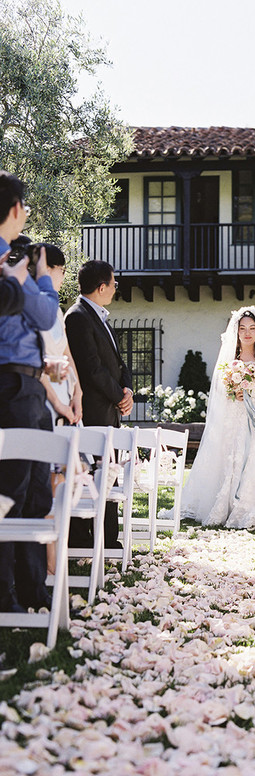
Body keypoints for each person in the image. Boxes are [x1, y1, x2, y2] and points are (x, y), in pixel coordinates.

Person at [173, 306, 255, 528]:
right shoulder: (231, 359)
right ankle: (234, 505)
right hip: (237, 415)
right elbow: (220, 389)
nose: (247, 333)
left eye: (252, 328)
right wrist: (234, 391)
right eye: (243, 329)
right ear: (236, 332)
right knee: (235, 455)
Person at [0, 170, 59, 613]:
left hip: (30, 388)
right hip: (12, 385)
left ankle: (32, 590)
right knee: (9, 495)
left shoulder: (15, 266)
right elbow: (45, 315)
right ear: (17, 209)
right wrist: (32, 279)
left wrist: (32, 276)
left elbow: (43, 317)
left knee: (37, 492)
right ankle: (9, 597)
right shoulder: (7, 268)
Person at [65, 260, 133, 548]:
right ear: (102, 286)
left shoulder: (100, 317)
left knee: (109, 475)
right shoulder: (77, 317)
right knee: (90, 475)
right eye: (114, 284)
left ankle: (108, 539)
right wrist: (119, 396)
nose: (116, 289)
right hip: (92, 410)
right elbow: (90, 368)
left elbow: (118, 362)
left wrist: (127, 388)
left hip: (110, 410)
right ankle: (83, 539)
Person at [38, 244, 82, 427]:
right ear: (46, 268)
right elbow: (34, 361)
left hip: (65, 393)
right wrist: (57, 403)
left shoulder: (56, 310)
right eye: (62, 270)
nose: (64, 276)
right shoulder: (31, 306)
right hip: (43, 396)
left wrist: (78, 394)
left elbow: (67, 354)